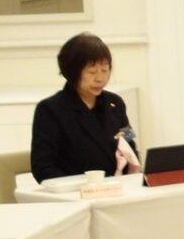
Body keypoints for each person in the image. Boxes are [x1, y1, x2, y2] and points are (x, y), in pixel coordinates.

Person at [31, 33, 140, 180]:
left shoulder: (115, 104)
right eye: (92, 72)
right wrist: (78, 187)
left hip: (117, 186)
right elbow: (43, 167)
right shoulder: (50, 110)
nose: (100, 78)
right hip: (77, 191)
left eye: (105, 70)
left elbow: (129, 143)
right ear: (72, 72)